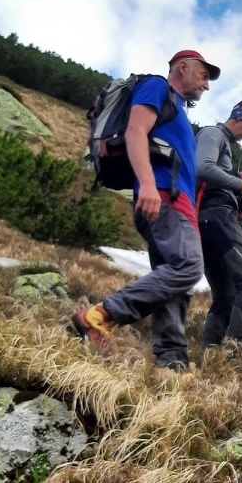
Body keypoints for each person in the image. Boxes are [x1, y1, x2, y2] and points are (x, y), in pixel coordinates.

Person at [70, 49, 219, 370]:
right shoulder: (156, 87)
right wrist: (148, 184)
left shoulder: (177, 110)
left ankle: (171, 362)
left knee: (174, 286)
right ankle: (100, 317)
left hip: (175, 203)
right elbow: (135, 131)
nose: (207, 85)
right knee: (188, 268)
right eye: (204, 75)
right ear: (183, 67)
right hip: (164, 197)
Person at [196, 100, 242, 350]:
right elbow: (202, 168)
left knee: (226, 294)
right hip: (217, 216)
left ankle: (210, 349)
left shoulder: (222, 141)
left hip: (208, 220)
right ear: (240, 117)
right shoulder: (212, 134)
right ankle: (238, 349)